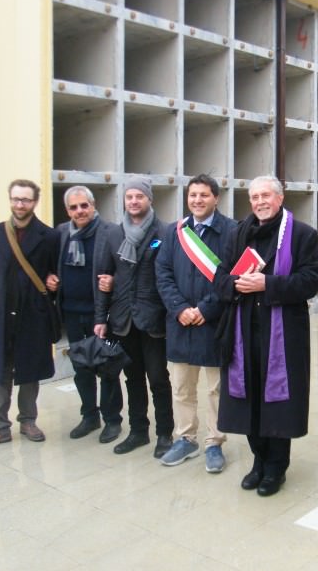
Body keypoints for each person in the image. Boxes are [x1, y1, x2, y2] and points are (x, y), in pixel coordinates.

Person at [214, 175, 318, 496]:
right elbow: (220, 277)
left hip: (283, 335)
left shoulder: (302, 234)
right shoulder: (238, 234)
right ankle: (258, 461)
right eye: (254, 197)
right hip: (243, 333)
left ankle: (276, 468)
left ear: (280, 197)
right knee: (249, 401)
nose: (260, 202)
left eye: (266, 196)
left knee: (277, 402)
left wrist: (267, 284)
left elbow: (310, 281)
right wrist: (235, 284)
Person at [0, 179, 60, 449]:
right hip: (0, 311)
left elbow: (52, 274)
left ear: (35, 202)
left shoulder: (49, 236)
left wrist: (53, 282)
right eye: (16, 199)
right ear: (10, 200)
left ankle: (28, 420)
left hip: (33, 312)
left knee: (29, 369)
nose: (20, 204)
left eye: (26, 200)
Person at [155, 174, 236, 472]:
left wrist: (206, 308)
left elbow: (232, 276)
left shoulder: (231, 231)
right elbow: (162, 272)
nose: (197, 200)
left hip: (214, 323)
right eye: (193, 195)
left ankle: (215, 443)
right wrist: (179, 308)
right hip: (180, 324)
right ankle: (185, 439)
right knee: (181, 388)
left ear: (216, 198)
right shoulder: (175, 231)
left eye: (204, 195)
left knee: (216, 389)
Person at [94, 177, 173, 458]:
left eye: (139, 196)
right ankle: (138, 431)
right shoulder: (114, 235)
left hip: (153, 321)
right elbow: (103, 278)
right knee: (132, 378)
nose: (134, 201)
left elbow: (169, 276)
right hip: (123, 321)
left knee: (158, 378)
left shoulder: (165, 232)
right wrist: (101, 317)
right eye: (129, 197)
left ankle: (165, 433)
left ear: (150, 199)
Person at [46, 186, 123, 444]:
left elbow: (125, 268)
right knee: (81, 369)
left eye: (84, 205)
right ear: (67, 210)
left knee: (108, 368)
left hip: (103, 316)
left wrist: (114, 281)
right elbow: (49, 264)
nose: (79, 211)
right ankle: (90, 415)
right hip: (72, 314)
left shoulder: (110, 231)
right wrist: (51, 278)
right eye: (73, 207)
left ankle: (113, 420)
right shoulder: (61, 233)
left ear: (93, 205)